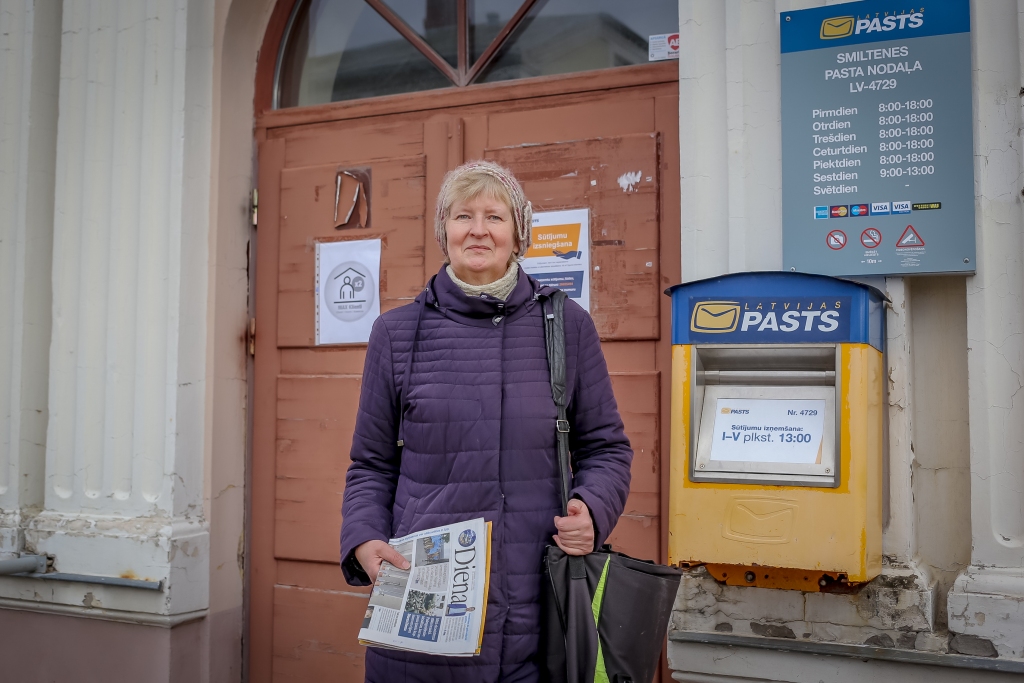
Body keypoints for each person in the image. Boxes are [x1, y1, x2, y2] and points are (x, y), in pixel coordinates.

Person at [340, 160, 633, 682]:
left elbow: (607, 448)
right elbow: (370, 464)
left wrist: (592, 509)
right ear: (443, 231)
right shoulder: (396, 334)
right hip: (421, 606)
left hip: (538, 613)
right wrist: (363, 538)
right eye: (462, 216)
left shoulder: (567, 326)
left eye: (495, 217)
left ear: (518, 234)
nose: (478, 230)